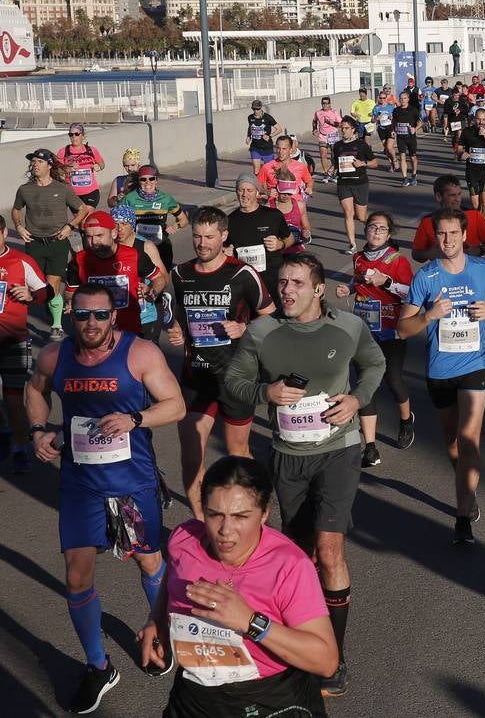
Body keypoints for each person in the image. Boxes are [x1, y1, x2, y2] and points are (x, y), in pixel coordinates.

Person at [222, 254, 387, 697]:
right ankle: (302, 646)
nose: (286, 290)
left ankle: (332, 657)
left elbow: (375, 364)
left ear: (317, 289)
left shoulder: (348, 326)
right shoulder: (262, 331)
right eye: (281, 283)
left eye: (296, 282)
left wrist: (356, 400)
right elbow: (232, 382)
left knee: (330, 550)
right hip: (287, 455)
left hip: (339, 450)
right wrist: (265, 392)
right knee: (299, 555)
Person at [27, 282, 187, 714]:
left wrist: (136, 418)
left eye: (100, 315)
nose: (92, 323)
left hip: (132, 484)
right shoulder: (55, 355)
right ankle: (98, 667)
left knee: (149, 560)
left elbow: (175, 405)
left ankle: (159, 636)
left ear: (114, 316)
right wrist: (39, 429)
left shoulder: (140, 354)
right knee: (76, 578)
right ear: (71, 316)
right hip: (80, 486)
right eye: (82, 315)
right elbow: (36, 389)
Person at [138, 455, 338, 716]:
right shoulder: (183, 540)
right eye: (214, 514)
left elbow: (326, 661)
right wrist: (157, 619)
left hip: (270, 698)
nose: (226, 530)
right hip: (195, 694)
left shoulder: (289, 566)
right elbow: (172, 577)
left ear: (264, 513)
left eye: (241, 516)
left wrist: (251, 622)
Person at [398, 209, 485, 544]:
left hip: (477, 364)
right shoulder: (426, 277)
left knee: (469, 436)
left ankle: (462, 518)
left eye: (453, 234)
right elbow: (403, 330)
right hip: (440, 370)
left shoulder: (483, 268)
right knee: (452, 443)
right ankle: (466, 489)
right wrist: (429, 315)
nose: (447, 241)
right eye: (441, 235)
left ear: (464, 235)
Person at [166, 206, 274, 519]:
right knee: (190, 456)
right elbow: (181, 321)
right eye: (197, 236)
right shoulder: (181, 274)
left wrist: (244, 328)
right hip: (195, 375)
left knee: (238, 453)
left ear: (223, 236)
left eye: (210, 237)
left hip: (235, 375)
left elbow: (271, 318)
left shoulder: (242, 273)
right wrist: (176, 330)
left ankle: (254, 512)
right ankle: (202, 521)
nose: (202, 243)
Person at [332, 212, 415, 468]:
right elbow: (358, 280)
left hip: (392, 330)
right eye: (372, 227)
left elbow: (412, 293)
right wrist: (349, 288)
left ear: (389, 234)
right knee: (365, 384)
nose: (376, 232)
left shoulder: (398, 261)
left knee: (392, 379)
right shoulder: (358, 258)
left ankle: (405, 419)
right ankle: (370, 447)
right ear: (365, 230)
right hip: (364, 331)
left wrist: (387, 282)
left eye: (382, 229)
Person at [13, 147, 90, 339]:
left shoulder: (62, 189)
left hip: (57, 241)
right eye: (33, 162)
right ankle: (50, 306)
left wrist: (70, 227)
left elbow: (82, 210)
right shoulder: (25, 190)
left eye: (39, 161)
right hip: (34, 242)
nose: (34, 165)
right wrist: (19, 226)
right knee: (34, 285)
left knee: (54, 282)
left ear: (49, 165)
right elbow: (16, 210)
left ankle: (56, 325)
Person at [0, 213, 50, 474]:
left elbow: (45, 292)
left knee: (13, 400)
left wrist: (30, 294)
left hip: (14, 341)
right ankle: (5, 431)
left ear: (4, 234)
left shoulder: (20, 261)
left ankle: (20, 448)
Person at [67, 210, 164, 335]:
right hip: (94, 331)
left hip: (130, 330)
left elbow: (160, 278)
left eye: (99, 236)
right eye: (89, 237)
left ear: (113, 233)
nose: (94, 242)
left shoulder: (134, 255)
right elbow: (70, 292)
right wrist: (71, 302)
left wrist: (152, 290)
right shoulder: (78, 260)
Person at [109, 204, 170, 344]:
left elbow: (164, 278)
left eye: (124, 224)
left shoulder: (145, 246)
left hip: (147, 312)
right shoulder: (108, 248)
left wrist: (151, 290)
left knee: (147, 355)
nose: (119, 229)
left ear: (132, 224)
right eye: (115, 224)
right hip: (118, 312)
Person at [226, 174, 292, 300]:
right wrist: (225, 253)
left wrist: (280, 244)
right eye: (241, 190)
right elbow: (222, 250)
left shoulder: (273, 215)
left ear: (257, 192)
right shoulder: (229, 221)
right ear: (236, 192)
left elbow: (290, 239)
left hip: (272, 280)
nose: (245, 194)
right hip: (244, 283)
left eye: (249, 190)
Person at [411, 175, 485, 261]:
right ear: (439, 197)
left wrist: (479, 250)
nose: (458, 199)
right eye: (452, 195)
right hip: (442, 272)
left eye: (459, 194)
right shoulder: (427, 222)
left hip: (473, 270)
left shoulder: (474, 215)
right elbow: (416, 254)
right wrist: (429, 253)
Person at [119, 165, 188, 267]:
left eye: (151, 179)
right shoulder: (129, 199)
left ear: (156, 180)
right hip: (138, 246)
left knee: (163, 278)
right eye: (143, 179)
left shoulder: (166, 199)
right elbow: (117, 222)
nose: (148, 182)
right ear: (139, 181)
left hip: (161, 246)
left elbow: (184, 220)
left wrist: (175, 226)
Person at [332, 117, 375, 254]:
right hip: (344, 183)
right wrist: (333, 169)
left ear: (353, 129)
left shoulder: (362, 145)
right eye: (342, 128)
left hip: (360, 182)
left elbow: (375, 162)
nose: (343, 131)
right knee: (348, 213)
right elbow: (336, 163)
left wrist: (363, 164)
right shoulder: (337, 145)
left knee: (361, 217)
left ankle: (377, 228)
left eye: (346, 128)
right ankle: (352, 244)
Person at [256, 135, 315, 203]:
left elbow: (309, 180)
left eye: (284, 149)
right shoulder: (267, 167)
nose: (280, 151)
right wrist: (266, 192)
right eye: (278, 148)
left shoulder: (300, 166)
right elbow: (255, 185)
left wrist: (309, 188)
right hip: (275, 206)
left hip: (296, 204)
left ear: (290, 150)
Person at [57, 124, 105, 207]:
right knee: (80, 219)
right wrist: (67, 168)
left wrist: (99, 166)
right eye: (71, 135)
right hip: (72, 193)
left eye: (76, 134)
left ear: (83, 136)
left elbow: (102, 163)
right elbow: (57, 171)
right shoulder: (63, 151)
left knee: (87, 216)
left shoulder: (91, 150)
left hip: (91, 190)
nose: (73, 137)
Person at [393, 90, 421, 187]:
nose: (403, 100)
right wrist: (393, 130)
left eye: (404, 98)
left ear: (408, 99)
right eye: (401, 98)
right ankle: (405, 178)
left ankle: (413, 175)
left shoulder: (413, 110)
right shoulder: (396, 110)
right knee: (402, 156)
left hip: (411, 137)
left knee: (413, 157)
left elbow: (420, 122)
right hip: (401, 137)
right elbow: (394, 122)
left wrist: (415, 128)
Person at [313, 96, 342, 182]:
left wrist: (331, 122)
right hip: (323, 136)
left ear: (329, 104)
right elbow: (314, 121)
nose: (324, 105)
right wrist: (314, 129)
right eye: (323, 103)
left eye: (326, 103)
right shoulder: (318, 112)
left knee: (334, 155)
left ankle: (334, 173)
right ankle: (326, 173)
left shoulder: (334, 112)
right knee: (323, 155)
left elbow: (340, 124)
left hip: (333, 135)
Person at [246, 100, 280, 173]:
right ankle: (257, 184)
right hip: (255, 147)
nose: (256, 111)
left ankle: (268, 184)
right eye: (253, 109)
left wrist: (269, 136)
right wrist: (249, 136)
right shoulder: (250, 117)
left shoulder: (268, 117)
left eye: (257, 109)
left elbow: (279, 129)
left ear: (261, 108)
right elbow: (250, 127)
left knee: (269, 170)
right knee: (256, 169)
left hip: (266, 148)